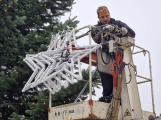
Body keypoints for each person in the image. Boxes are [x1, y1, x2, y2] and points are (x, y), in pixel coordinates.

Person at [91, 6, 135, 103]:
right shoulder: (95, 28)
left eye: (107, 16)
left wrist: (125, 31)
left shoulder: (118, 24)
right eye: (102, 17)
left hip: (121, 58)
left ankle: (123, 102)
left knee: (124, 82)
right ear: (98, 18)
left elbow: (132, 34)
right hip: (105, 59)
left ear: (109, 14)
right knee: (107, 84)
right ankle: (108, 101)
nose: (105, 19)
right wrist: (104, 30)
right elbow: (95, 38)